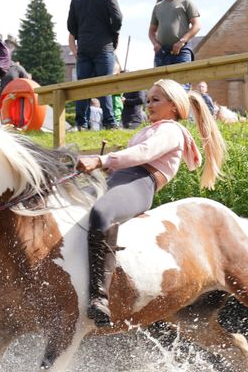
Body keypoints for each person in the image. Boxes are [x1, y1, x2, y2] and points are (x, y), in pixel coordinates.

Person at [75, 79, 226, 326]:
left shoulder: (172, 130)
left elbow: (143, 154)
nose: (149, 105)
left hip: (139, 184)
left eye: (156, 100)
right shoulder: (151, 129)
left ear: (174, 107)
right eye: (148, 100)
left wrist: (102, 161)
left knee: (102, 213)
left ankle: (99, 297)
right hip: (119, 180)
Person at [67, 0, 122, 130]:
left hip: (84, 48)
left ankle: (81, 123)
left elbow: (71, 25)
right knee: (105, 84)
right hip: (104, 47)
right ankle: (110, 122)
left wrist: (80, 36)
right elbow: (118, 17)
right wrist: (112, 34)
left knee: (82, 86)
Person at [149, 0, 201, 67]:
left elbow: (197, 25)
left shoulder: (186, 2)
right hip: (162, 54)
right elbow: (151, 31)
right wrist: (155, 44)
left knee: (182, 82)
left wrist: (182, 41)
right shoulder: (157, 7)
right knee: (161, 83)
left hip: (181, 51)